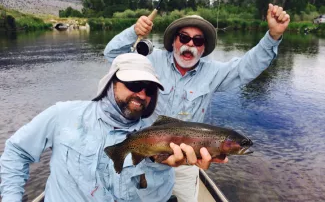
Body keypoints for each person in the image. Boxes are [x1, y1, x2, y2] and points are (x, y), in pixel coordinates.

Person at [103, 4, 290, 202]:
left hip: (186, 164)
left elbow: (246, 68)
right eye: (184, 37)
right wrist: (134, 32)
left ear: (203, 47)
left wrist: (273, 36)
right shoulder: (150, 60)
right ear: (174, 40)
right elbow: (112, 55)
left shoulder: (213, 72)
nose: (190, 44)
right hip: (147, 159)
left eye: (198, 40)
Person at [0, 53, 217, 202]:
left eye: (149, 89)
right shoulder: (62, 114)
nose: (142, 94)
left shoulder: (157, 138)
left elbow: (156, 199)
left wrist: (158, 163)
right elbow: (17, 151)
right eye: (133, 84)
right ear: (110, 82)